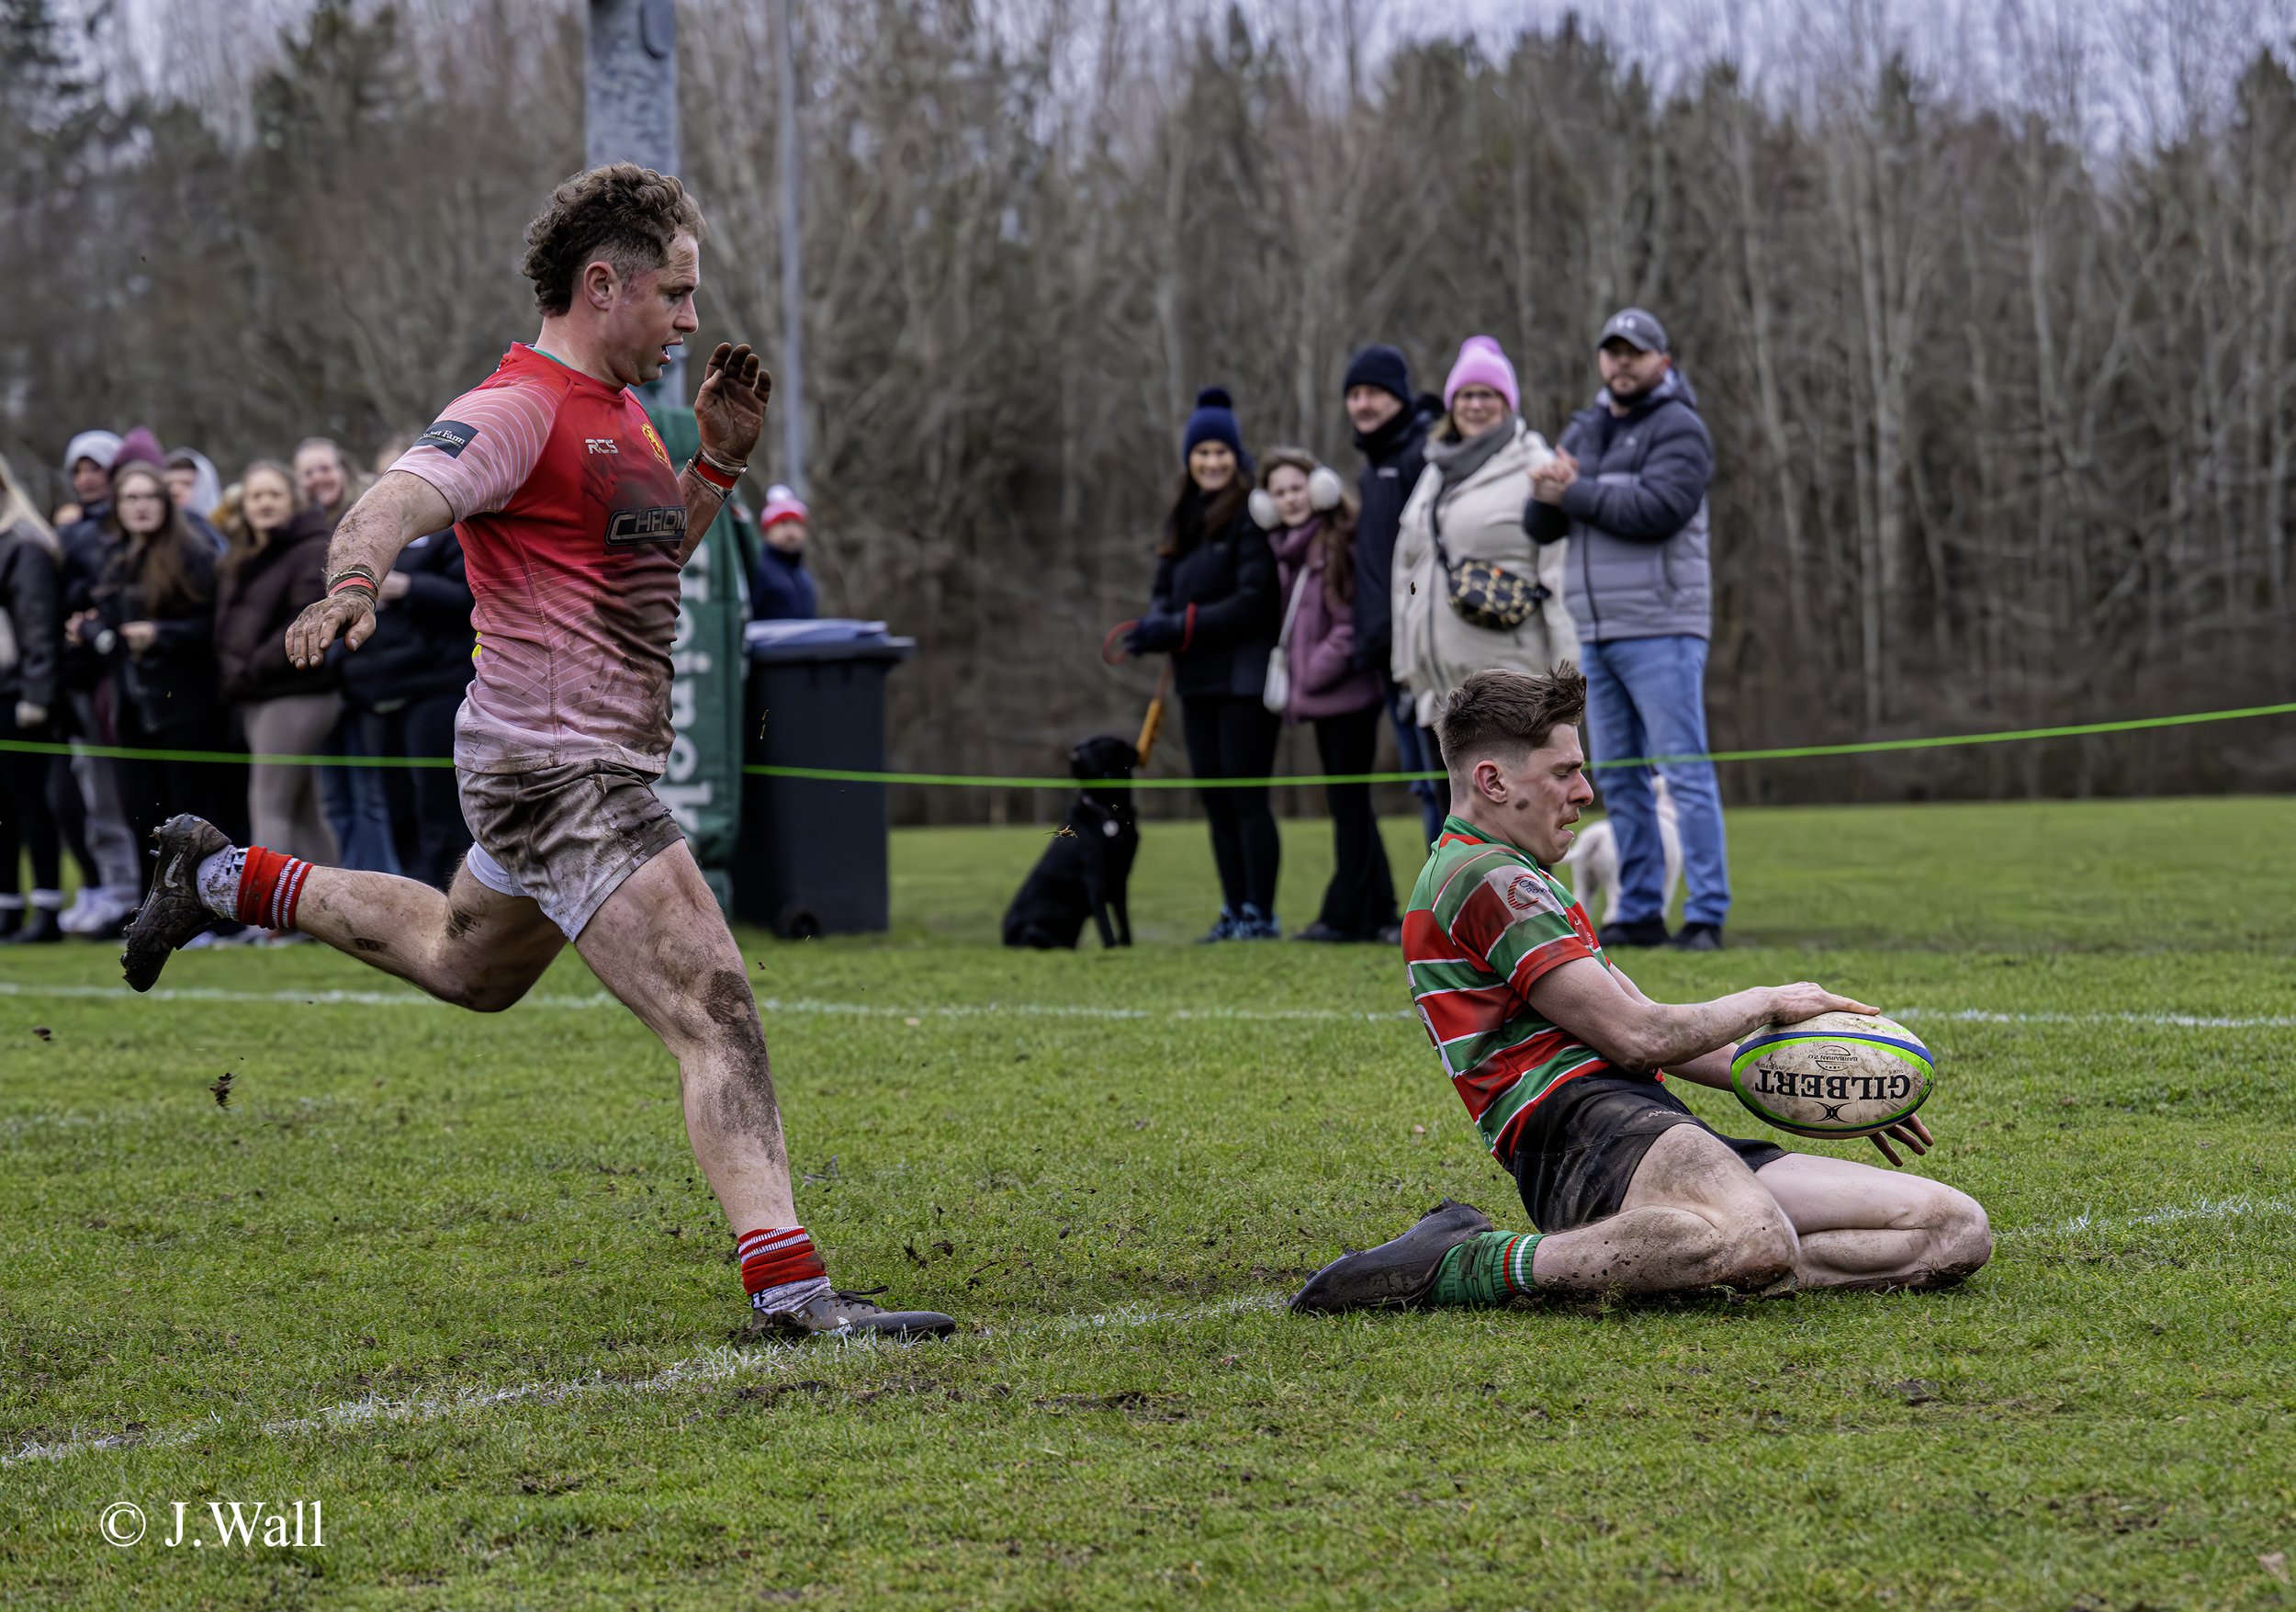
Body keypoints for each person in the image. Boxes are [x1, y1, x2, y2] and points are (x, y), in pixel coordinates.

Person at [119, 162, 951, 1341]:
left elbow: (646, 568)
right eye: (674, 292)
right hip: (558, 774)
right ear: (601, 284)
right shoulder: (515, 407)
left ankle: (217, 875)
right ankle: (793, 1293)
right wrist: (354, 578)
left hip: (556, 768)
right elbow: (395, 496)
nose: (691, 319)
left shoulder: (622, 417)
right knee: (716, 1009)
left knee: (467, 964)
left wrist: (713, 465)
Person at [1291, 666, 1992, 1313]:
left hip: (1647, 1121)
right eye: (1564, 772)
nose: (1584, 792)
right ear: (1493, 781)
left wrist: (1813, 1079)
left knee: (1953, 1229)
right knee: (1754, 1236)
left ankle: (1690, 1256)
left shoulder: (1525, 879)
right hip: (1579, 1131)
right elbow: (1640, 1036)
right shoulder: (1483, 878)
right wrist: (1771, 1000)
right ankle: (1474, 1261)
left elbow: (1647, 1034)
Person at [1525, 307, 1729, 951]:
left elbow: (1658, 509)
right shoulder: (1585, 429)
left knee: (1683, 771)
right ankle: (1638, 908)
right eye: (1611, 351)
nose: (1621, 362)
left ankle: (1705, 910)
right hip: (1596, 629)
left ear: (1662, 362)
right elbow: (1544, 527)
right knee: (1616, 776)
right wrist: (1543, 495)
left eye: (1635, 352)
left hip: (1663, 625)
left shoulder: (1680, 428)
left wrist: (1575, 493)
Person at [1125, 386, 1281, 941]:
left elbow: (1253, 599)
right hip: (1196, 681)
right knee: (1214, 799)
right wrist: (1152, 627)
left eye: (1221, 453)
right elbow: (1162, 588)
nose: (1212, 463)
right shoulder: (1182, 519)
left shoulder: (1250, 514)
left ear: (1235, 457)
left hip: (1244, 679)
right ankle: (1233, 908)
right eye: (1202, 454)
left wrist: (1180, 625)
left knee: (1246, 798)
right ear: (1188, 460)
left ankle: (1261, 913)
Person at [1390, 335, 1576, 786]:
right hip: (1438, 686)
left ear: (1507, 402)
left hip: (1511, 684)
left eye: (1488, 395)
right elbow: (1407, 572)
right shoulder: (1435, 470)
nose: (1476, 405)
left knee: (1516, 814)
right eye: (1466, 395)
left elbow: (1558, 572)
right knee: (1450, 826)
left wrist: (1568, 674)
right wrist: (1405, 661)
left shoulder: (1535, 465)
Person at [1253, 447, 1397, 944]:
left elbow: (1347, 626)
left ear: (1319, 488)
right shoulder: (1287, 549)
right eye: (1278, 492)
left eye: (1296, 488)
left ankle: (1343, 914)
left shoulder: (1336, 544)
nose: (1289, 499)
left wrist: (1309, 674)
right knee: (1350, 804)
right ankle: (1380, 911)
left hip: (1348, 695)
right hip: (1321, 698)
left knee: (1349, 805)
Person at [68, 459, 241, 865]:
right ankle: (156, 918)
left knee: (194, 820)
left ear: (165, 504)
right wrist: (91, 630)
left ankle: (211, 916)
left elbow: (217, 627)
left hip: (187, 707)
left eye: (149, 497)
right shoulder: (116, 558)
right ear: (118, 507)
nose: (140, 506)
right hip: (132, 709)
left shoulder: (192, 553)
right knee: (144, 818)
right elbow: (114, 637)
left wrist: (161, 635)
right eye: (130, 498)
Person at [332, 513, 476, 891]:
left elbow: (468, 598)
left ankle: (450, 895)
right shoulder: (374, 544)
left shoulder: (454, 536)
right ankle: (417, 894)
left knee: (439, 802)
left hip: (438, 685)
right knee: (396, 807)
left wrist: (408, 587)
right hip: (379, 689)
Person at [1342, 345, 1446, 847]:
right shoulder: (1373, 466)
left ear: (1399, 398)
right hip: (1387, 651)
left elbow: (1419, 565)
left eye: (1374, 394)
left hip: (1420, 649)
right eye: (1354, 395)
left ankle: (1449, 907)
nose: (1362, 405)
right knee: (1423, 785)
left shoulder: (1417, 456)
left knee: (1440, 785)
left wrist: (1404, 620)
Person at [215, 459, 340, 868]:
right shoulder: (246, 553)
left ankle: (268, 921)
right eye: (256, 495)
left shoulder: (312, 548)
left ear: (294, 500)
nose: (264, 503)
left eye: (274, 494)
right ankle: (336, 912)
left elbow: (301, 620)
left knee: (268, 804)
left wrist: (248, 670)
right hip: (256, 693)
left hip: (295, 693)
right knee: (303, 812)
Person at [51, 429, 144, 936]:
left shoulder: (116, 534)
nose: (86, 478)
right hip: (81, 680)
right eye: (78, 470)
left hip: (120, 679)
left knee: (127, 790)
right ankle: (117, 889)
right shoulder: (67, 535)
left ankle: (137, 893)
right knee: (94, 792)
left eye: (96, 468)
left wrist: (93, 626)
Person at [0, 452, 66, 943]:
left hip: (20, 697)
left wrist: (36, 696)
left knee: (31, 804)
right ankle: (8, 904)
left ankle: (46, 904)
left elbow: (39, 627)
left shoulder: (24, 548)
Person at [750, 484, 817, 621]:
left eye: (797, 524)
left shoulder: (803, 575)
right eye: (783, 523)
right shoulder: (756, 569)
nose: (792, 531)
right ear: (768, 529)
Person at [293, 437, 370, 530]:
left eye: (325, 469)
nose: (317, 478)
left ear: (343, 470)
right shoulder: (295, 526)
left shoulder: (370, 508)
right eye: (308, 473)